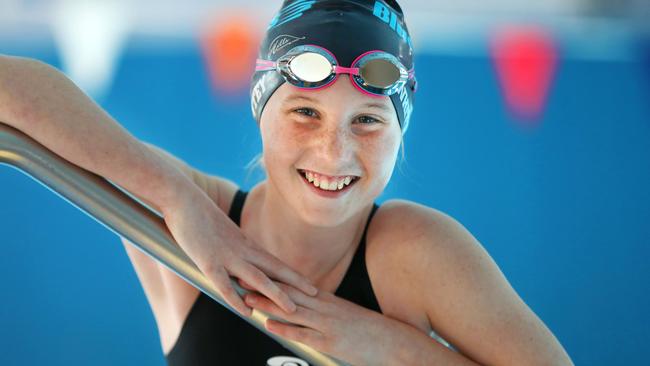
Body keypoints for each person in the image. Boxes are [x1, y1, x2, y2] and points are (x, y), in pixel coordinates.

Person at [0, 0, 574, 365]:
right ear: (260, 111)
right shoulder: (185, 219)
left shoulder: (412, 253)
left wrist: (391, 348)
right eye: (304, 112)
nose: (335, 151)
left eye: (368, 121)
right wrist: (179, 202)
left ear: (401, 133)